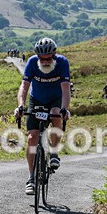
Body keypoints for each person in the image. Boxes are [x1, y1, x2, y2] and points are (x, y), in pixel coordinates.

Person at [14, 37, 71, 195]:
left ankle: (53, 152)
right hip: (36, 99)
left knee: (55, 115)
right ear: (37, 57)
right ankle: (31, 178)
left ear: (54, 55)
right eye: (42, 58)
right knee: (32, 138)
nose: (45, 61)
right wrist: (20, 105)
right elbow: (24, 86)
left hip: (55, 99)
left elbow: (66, 89)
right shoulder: (32, 63)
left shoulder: (62, 63)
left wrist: (65, 109)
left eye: (48, 58)